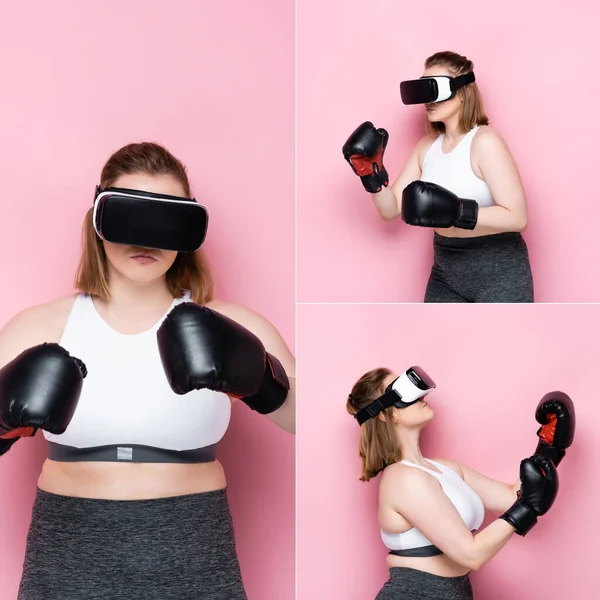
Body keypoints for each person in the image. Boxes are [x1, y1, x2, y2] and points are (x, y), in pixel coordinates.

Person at [0, 142, 296, 599]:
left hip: (194, 554)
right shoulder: (38, 326)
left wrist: (260, 376)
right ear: (99, 221)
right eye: (130, 218)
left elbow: (314, 420)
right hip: (68, 556)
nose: (147, 239)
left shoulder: (232, 326)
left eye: (165, 220)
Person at [346, 367, 573, 600]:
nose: (422, 394)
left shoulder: (446, 469)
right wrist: (526, 509)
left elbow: (511, 496)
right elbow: (471, 554)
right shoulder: (403, 479)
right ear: (386, 415)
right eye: (404, 389)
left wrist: (549, 448)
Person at [343, 51, 534, 303]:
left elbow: (518, 216)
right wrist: (372, 176)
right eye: (423, 91)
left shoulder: (484, 142)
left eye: (434, 90)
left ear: (463, 92)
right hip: (446, 270)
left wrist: (456, 211)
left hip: (498, 270)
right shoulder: (426, 147)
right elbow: (391, 210)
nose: (427, 101)